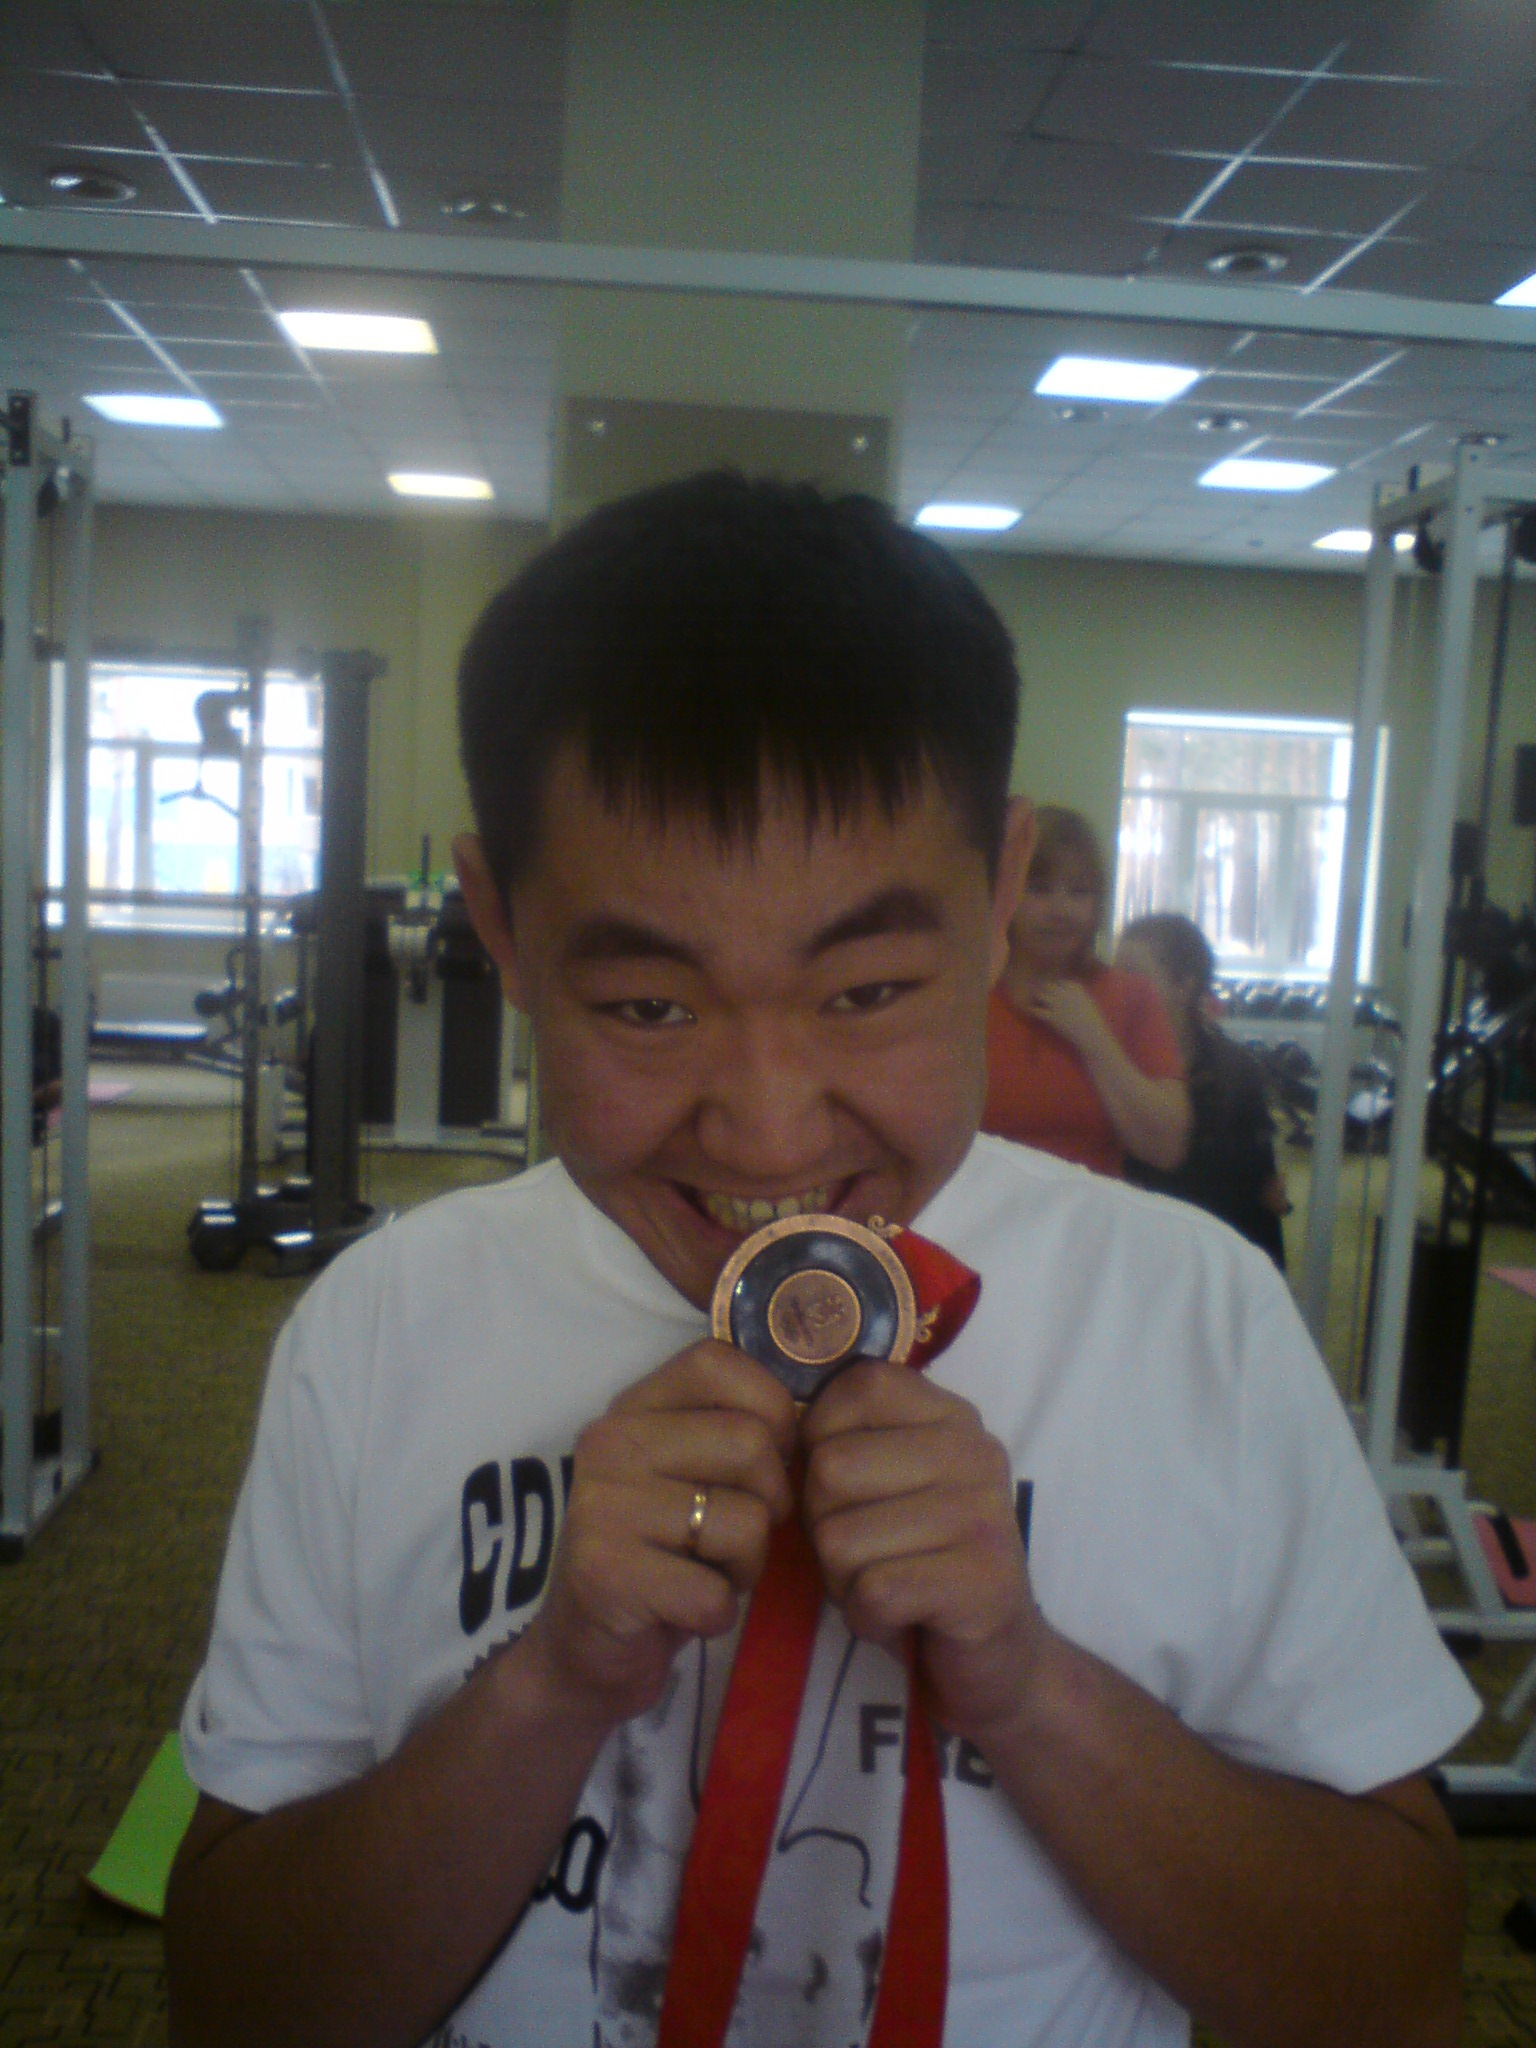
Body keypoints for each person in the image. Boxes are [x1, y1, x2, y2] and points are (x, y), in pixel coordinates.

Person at [164, 473, 1474, 2048]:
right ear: (499, 926)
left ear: (1000, 896)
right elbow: (235, 2001)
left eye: (866, 993)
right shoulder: (380, 1327)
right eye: (648, 1008)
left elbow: (1394, 1988)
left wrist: (1029, 1683)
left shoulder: (1199, 1319)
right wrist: (551, 1683)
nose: (773, 1135)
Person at [982, 807, 1191, 1177]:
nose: (1060, 910)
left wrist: (1095, 1040)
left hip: (1088, 1211)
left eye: (1079, 892)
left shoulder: (1133, 996)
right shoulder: (967, 994)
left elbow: (1165, 1148)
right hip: (974, 1208)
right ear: (1007, 893)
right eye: (1039, 889)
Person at [1115, 913, 1292, 1269]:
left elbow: (1259, 1193)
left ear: (1183, 985)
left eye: (1132, 976)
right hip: (1129, 1248)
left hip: (1210, 1254)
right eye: (1116, 976)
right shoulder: (1109, 1055)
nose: (1118, 989)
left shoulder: (1235, 1073)